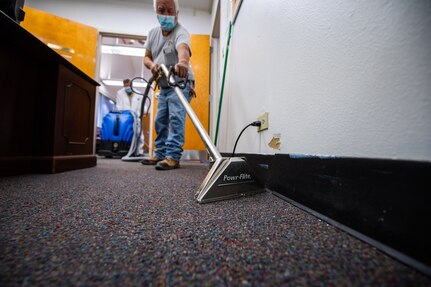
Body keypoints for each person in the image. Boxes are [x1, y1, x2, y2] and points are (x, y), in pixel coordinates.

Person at [141, 0, 195, 170]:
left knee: (176, 118)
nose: (165, 14)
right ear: (156, 12)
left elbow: (183, 49)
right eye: (161, 10)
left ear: (176, 13)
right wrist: (152, 66)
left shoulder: (181, 32)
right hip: (163, 84)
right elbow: (146, 57)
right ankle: (160, 153)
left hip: (180, 83)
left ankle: (172, 156)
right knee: (160, 120)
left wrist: (183, 63)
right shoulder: (152, 33)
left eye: (169, 10)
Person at [115, 78, 145, 156]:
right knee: (125, 133)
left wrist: (140, 114)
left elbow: (143, 106)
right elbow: (118, 106)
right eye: (125, 86)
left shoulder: (138, 93)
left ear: (132, 85)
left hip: (136, 117)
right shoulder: (120, 93)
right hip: (125, 117)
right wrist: (122, 114)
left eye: (128, 86)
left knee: (139, 134)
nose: (127, 88)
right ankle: (125, 151)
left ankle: (139, 152)